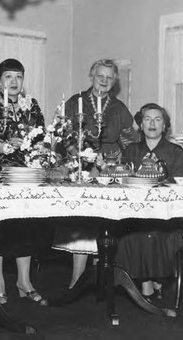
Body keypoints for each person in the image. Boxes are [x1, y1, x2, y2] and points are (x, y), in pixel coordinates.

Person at [52, 58, 139, 288]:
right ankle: (77, 279)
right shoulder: (75, 102)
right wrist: (78, 154)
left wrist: (116, 163)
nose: (105, 80)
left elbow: (131, 140)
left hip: (109, 168)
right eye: (101, 76)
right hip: (80, 165)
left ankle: (103, 277)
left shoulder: (119, 108)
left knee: (106, 222)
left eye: (110, 77)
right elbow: (61, 133)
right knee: (82, 223)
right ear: (92, 76)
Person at [0, 58, 47, 305]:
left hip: (26, 173)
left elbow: (41, 135)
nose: (14, 82)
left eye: (18, 77)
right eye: (8, 77)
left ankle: (24, 281)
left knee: (27, 225)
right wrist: (3, 147)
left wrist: (35, 148)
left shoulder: (31, 104)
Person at [117, 103, 183, 300]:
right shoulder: (131, 150)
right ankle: (146, 282)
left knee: (155, 233)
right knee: (133, 234)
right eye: (147, 119)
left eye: (157, 119)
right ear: (141, 124)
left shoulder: (175, 151)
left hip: (165, 217)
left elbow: (179, 186)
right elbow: (123, 181)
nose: (152, 123)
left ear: (165, 126)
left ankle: (154, 278)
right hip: (136, 215)